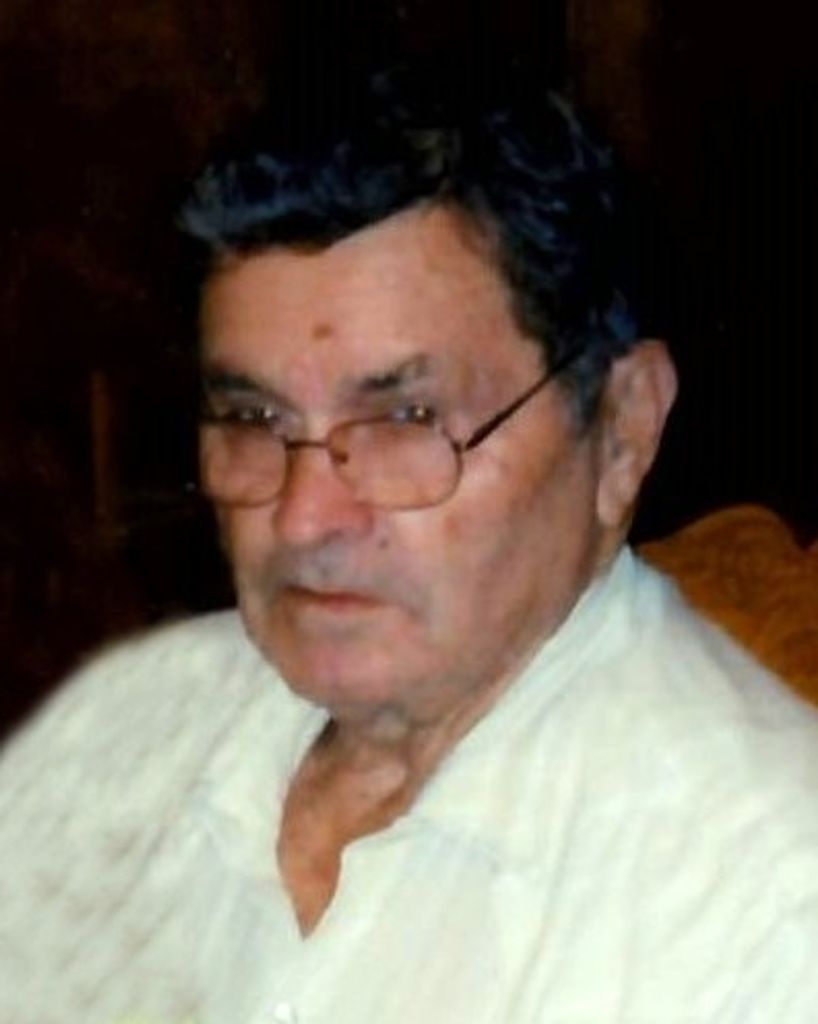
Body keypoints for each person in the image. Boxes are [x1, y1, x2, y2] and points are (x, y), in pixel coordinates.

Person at [2, 67, 817, 1024]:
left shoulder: (764, 904)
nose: (304, 518)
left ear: (624, 428)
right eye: (254, 418)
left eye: (405, 419)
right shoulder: (119, 728)